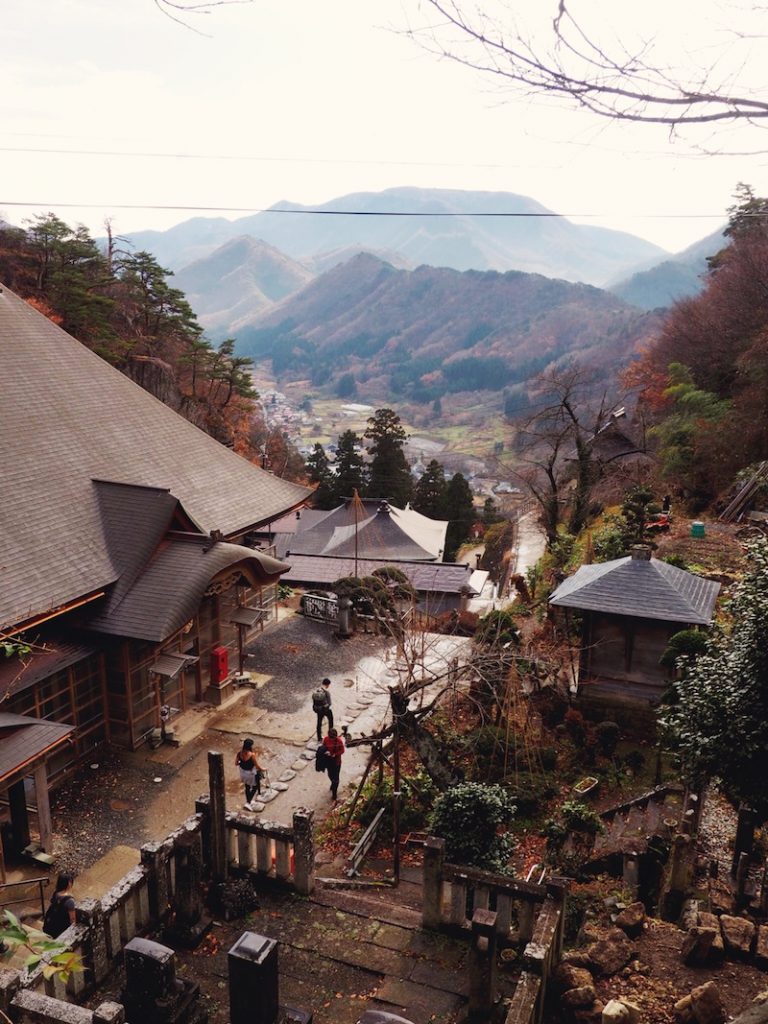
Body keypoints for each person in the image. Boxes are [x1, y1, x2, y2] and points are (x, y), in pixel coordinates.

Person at [43, 872, 76, 938]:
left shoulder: (56, 893)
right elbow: (72, 919)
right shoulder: (70, 901)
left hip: (51, 924)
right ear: (69, 883)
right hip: (61, 926)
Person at [236, 738, 264, 810]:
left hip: (243, 773)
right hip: (250, 773)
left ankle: (249, 800)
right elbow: (257, 766)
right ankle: (248, 802)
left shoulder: (239, 753)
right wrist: (264, 769)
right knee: (255, 787)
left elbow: (236, 763)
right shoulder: (252, 755)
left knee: (247, 787)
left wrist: (242, 763)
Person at [323, 727, 345, 802]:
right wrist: (325, 752)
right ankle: (333, 783)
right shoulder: (326, 739)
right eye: (330, 737)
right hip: (329, 761)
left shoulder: (339, 741)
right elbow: (323, 747)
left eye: (333, 738)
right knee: (330, 775)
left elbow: (342, 750)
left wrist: (335, 754)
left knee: (336, 778)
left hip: (337, 762)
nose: (331, 739)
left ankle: (334, 793)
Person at [312, 677, 333, 741]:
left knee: (319, 723)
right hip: (325, 709)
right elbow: (329, 703)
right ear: (327, 684)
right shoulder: (326, 692)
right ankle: (331, 736)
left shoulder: (317, 691)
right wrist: (326, 707)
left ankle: (319, 737)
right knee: (331, 720)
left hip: (318, 710)